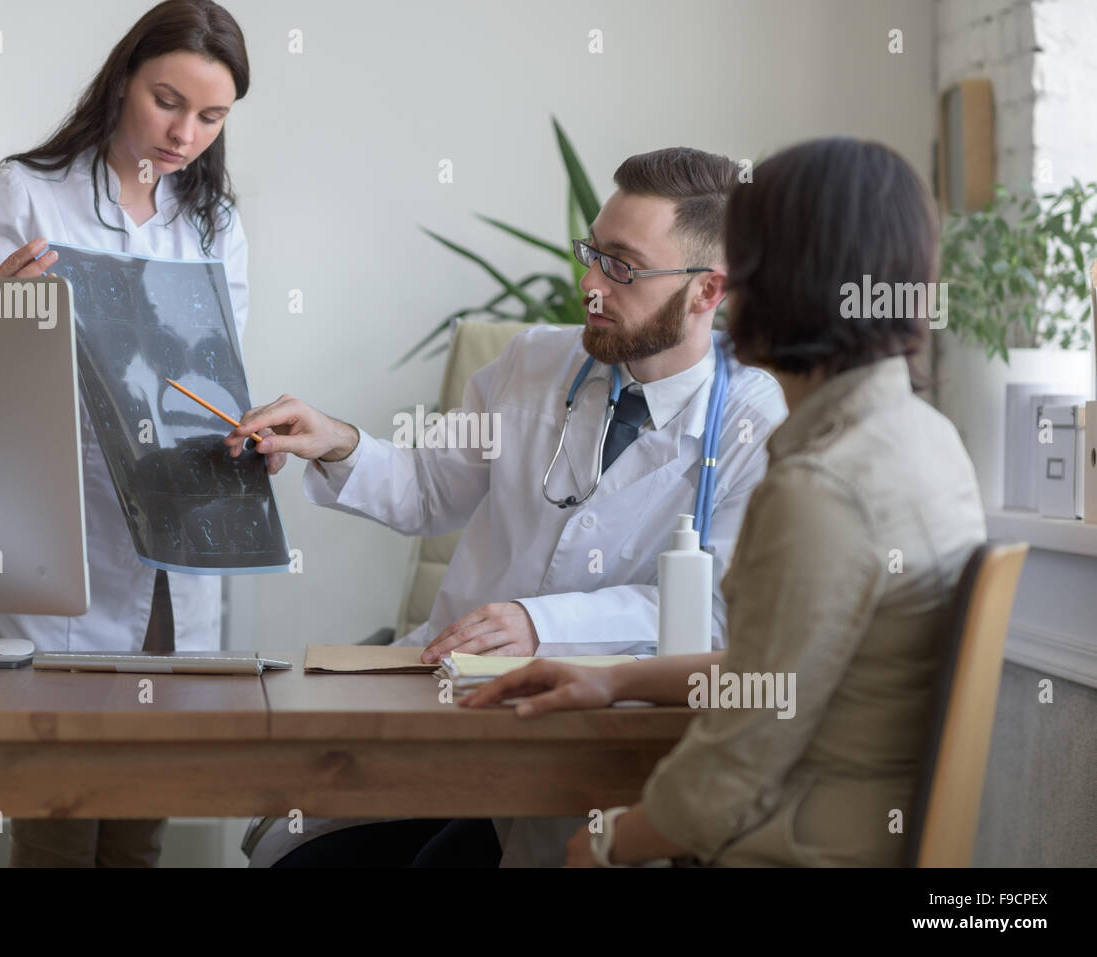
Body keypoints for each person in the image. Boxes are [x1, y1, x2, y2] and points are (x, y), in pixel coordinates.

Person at [227, 146, 787, 866]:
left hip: (591, 753)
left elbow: (711, 614)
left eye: (621, 265)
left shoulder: (756, 421)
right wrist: (334, 441)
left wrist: (538, 623)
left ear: (707, 291)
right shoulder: (534, 361)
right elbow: (431, 487)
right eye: (591, 252)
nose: (588, 283)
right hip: (451, 718)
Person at [460, 137, 989, 868]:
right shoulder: (930, 444)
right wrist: (616, 676)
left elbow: (728, 773)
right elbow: (775, 666)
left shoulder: (821, 487)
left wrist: (604, 843)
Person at [0, 0, 267, 867]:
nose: (185, 134)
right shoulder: (28, 189)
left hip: (174, 544)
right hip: (59, 537)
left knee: (139, 831)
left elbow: (215, 379)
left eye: (212, 116)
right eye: (169, 101)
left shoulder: (213, 223)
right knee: (53, 825)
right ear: (124, 78)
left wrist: (247, 430)